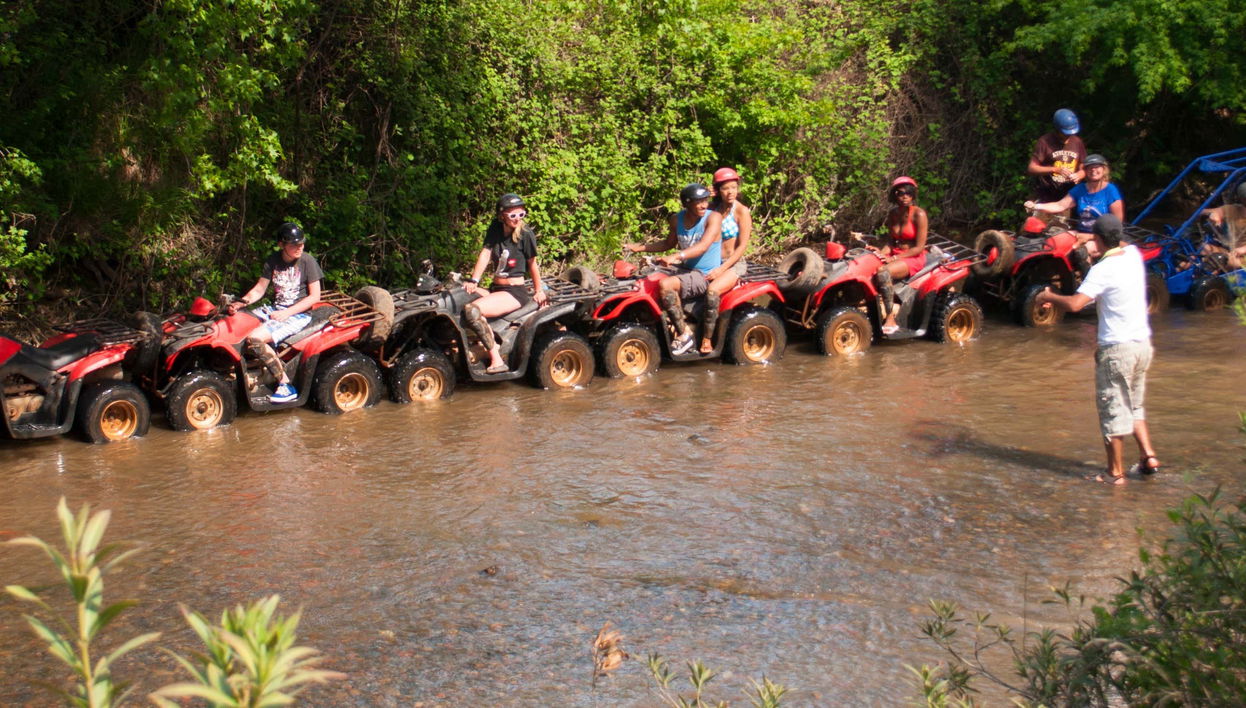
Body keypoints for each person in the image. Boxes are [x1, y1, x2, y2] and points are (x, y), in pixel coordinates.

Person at [1035, 215, 1159, 485]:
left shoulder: (1102, 270)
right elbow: (1121, 242)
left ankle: (1115, 473)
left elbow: (1076, 304)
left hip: (1117, 348)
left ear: (1099, 239)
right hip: (1142, 345)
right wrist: (1092, 238)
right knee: (1134, 404)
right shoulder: (1133, 256)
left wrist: (1049, 296)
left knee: (1112, 409)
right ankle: (1148, 456)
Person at [227, 222, 323, 403]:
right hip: (275, 309)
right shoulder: (273, 260)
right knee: (238, 321)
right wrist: (241, 303)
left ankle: (285, 385)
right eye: (294, 244)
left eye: (301, 243)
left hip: (298, 314)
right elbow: (259, 290)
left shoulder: (307, 261)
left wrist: (287, 313)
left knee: (255, 339)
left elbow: (315, 297)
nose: (300, 247)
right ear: (281, 245)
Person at [624, 183, 723, 355]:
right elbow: (668, 243)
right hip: (684, 269)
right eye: (698, 202)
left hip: (705, 274)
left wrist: (676, 256)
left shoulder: (713, 218)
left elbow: (703, 246)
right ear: (687, 204)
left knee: (666, 285)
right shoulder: (677, 219)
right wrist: (639, 248)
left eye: (705, 200)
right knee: (643, 278)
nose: (703, 205)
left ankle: (684, 335)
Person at [462, 193, 549, 373]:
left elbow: (532, 264)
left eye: (521, 214)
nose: (517, 219)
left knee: (473, 310)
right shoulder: (495, 228)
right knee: (459, 297)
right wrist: (474, 280)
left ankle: (496, 358)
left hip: (514, 292)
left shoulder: (525, 234)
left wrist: (539, 290)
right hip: (496, 288)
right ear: (502, 215)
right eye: (513, 215)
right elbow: (486, 253)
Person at [1026, 153, 1123, 272]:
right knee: (1053, 242)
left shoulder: (1110, 190)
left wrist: (1091, 236)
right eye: (1090, 167)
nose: (1093, 170)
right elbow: (1060, 205)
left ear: (1104, 169)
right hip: (1081, 232)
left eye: (1097, 167)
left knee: (1081, 252)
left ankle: (1087, 280)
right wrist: (1036, 206)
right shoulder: (1080, 189)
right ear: (1085, 171)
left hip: (1102, 237)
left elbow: (1117, 224)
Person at [872, 176, 930, 335]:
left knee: (883, 272)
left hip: (913, 257)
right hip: (897, 253)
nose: (905, 196)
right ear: (894, 195)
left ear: (913, 195)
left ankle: (890, 318)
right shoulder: (893, 214)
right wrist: (879, 253)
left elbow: (919, 247)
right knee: (869, 264)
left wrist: (894, 258)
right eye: (901, 193)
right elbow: (890, 242)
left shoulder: (919, 214)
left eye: (909, 193)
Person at [1028, 108, 1087, 203]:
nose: (1068, 136)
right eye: (1065, 133)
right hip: (1047, 193)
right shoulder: (1044, 141)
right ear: (1057, 129)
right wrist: (1055, 169)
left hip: (1070, 194)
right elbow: (1032, 168)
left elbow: (1083, 165)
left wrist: (1080, 174)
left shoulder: (1077, 142)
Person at [1200, 181, 1246, 269]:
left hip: (1241, 256)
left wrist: (1243, 249)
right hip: (1231, 252)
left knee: (1224, 261)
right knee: (1205, 248)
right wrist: (1214, 214)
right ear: (1242, 199)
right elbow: (1202, 211)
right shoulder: (1234, 209)